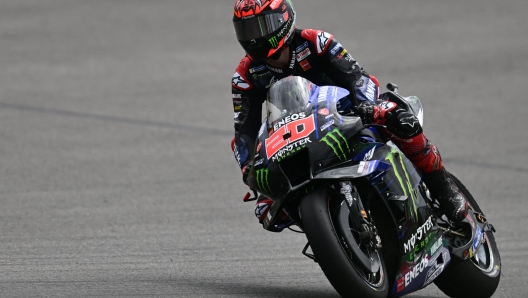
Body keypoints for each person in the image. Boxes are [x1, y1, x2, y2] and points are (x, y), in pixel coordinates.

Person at [230, 0, 467, 230]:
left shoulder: (316, 42)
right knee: (267, 208)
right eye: (245, 29)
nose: (252, 37)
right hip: (297, 135)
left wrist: (367, 105)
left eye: (259, 27)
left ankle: (443, 189)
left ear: (282, 20)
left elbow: (357, 77)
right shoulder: (245, 75)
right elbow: (244, 130)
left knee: (401, 119)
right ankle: (335, 236)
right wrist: (248, 166)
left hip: (347, 113)